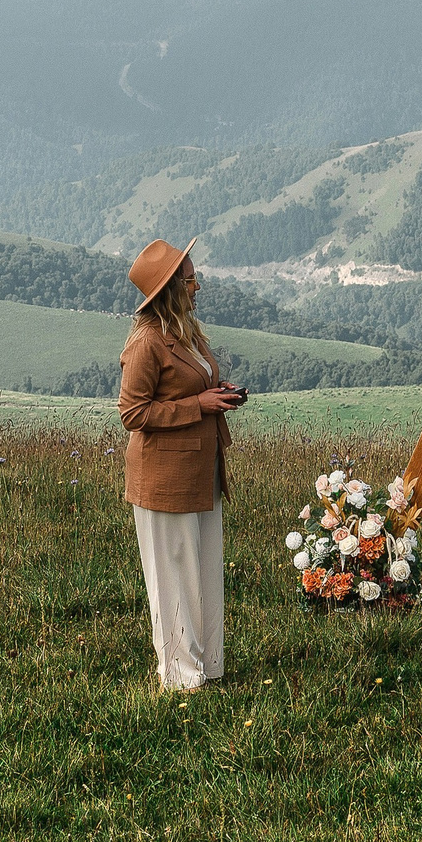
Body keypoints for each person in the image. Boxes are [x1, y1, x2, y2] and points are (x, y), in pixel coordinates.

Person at [119, 236, 246, 690]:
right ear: (171, 288)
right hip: (164, 477)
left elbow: (191, 386)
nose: (198, 286)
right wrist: (198, 404)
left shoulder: (186, 334)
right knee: (173, 574)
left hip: (201, 471)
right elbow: (132, 413)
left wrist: (217, 390)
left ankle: (207, 664)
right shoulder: (146, 344)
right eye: (191, 280)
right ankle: (179, 674)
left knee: (205, 569)